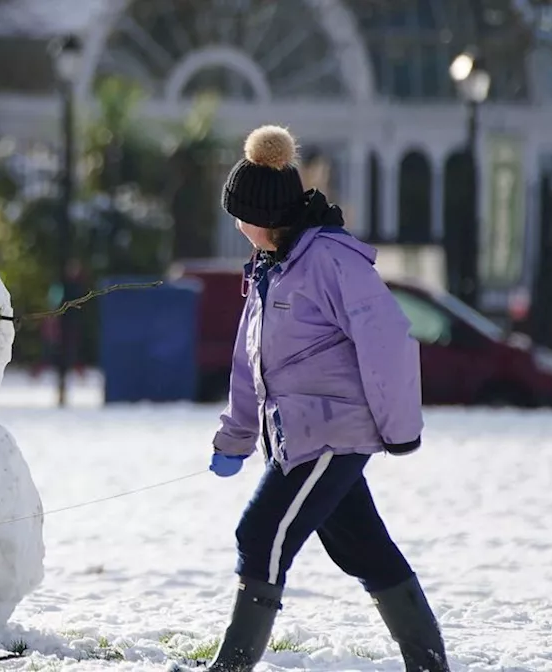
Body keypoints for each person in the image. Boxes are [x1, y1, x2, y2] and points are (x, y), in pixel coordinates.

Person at [203, 125, 449, 672]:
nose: (238, 227)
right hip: (302, 434)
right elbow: (251, 365)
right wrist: (236, 438)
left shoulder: (331, 260)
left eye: (241, 216)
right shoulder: (269, 271)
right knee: (361, 547)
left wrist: (401, 429)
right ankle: (430, 665)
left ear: (265, 218)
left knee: (260, 533)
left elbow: (388, 343)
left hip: (333, 433)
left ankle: (231, 667)